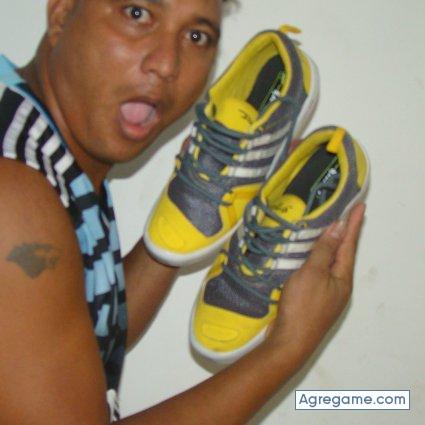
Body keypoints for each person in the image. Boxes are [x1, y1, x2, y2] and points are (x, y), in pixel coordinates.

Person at [0, 0, 366, 423]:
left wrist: (194, 202)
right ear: (62, 13)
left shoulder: (36, 148)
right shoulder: (15, 199)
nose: (167, 64)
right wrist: (288, 347)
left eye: (197, 36)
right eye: (137, 14)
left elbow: (66, 340)